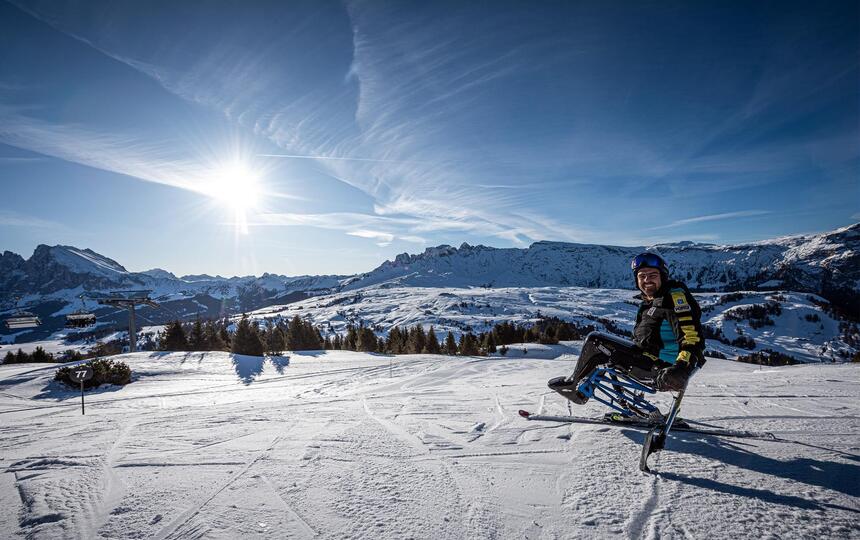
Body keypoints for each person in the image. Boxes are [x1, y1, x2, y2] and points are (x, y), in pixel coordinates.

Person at [548, 252, 706, 405]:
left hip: (665, 371)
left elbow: (691, 336)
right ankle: (585, 391)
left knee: (595, 340)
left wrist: (681, 367)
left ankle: (575, 389)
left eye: (652, 275)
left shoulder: (673, 298)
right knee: (604, 351)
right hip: (650, 361)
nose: (647, 280)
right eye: (642, 276)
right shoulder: (654, 301)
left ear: (663, 277)